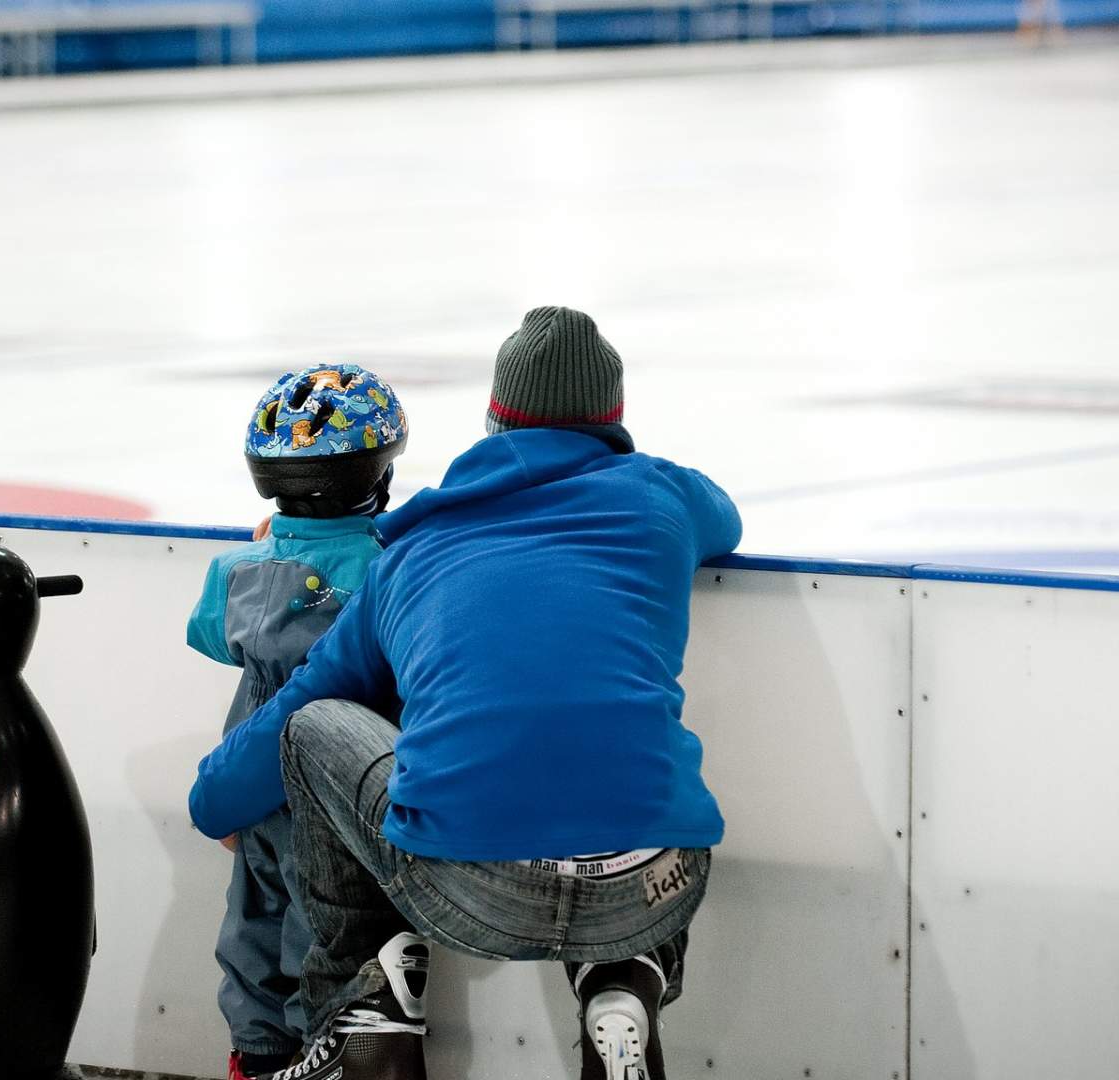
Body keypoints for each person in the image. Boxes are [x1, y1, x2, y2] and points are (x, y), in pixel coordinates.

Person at [190, 306, 743, 1080]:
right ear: (615, 422)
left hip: (470, 886)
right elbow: (727, 516)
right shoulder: (660, 499)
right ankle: (623, 981)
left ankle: (367, 1009)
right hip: (652, 881)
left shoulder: (414, 547)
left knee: (317, 723)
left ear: (492, 421)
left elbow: (300, 705)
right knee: (631, 772)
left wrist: (213, 798)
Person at [187, 364, 410, 1080]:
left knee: (251, 922)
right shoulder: (390, 566)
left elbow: (214, 636)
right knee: (327, 928)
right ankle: (328, 1052)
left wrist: (268, 554)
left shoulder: (237, 571)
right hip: (339, 790)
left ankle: (254, 1057)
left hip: (250, 784)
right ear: (377, 473)